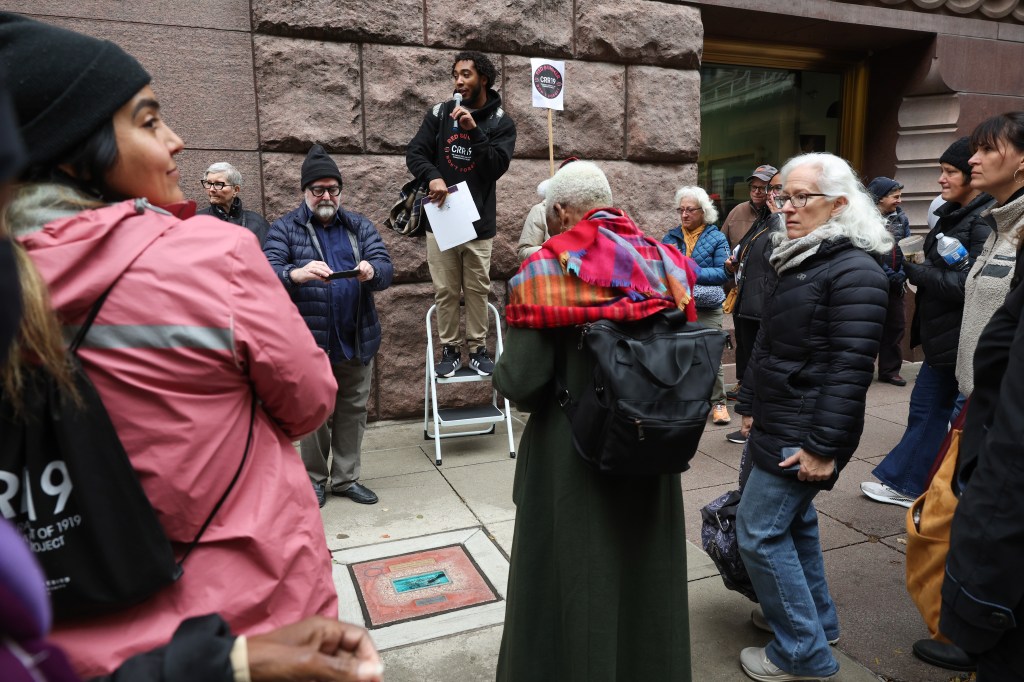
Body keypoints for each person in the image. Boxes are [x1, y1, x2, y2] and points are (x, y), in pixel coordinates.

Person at [0, 12, 351, 677]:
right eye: (149, 120)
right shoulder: (211, 254)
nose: (176, 139)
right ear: (72, 151)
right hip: (252, 630)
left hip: (62, 651)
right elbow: (309, 402)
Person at [494, 161, 698, 682]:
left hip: (573, 458)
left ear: (562, 212)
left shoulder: (545, 270)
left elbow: (521, 381)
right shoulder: (665, 260)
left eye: (548, 215)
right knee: (646, 581)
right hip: (653, 445)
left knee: (577, 584)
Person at [733, 153, 890, 681]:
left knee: (759, 533)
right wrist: (749, 405)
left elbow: (850, 369)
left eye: (802, 197)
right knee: (794, 525)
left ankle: (802, 651)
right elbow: (769, 344)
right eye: (784, 195)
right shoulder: (801, 257)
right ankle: (815, 623)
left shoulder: (855, 271)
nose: (787, 207)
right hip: (780, 418)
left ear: (839, 204)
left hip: (805, 428)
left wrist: (823, 447)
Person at [862, 140, 994, 508]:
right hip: (946, 336)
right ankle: (914, 483)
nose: (941, 179)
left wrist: (917, 271)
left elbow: (971, 285)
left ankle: (918, 487)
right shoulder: (959, 214)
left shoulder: (983, 220)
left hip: (960, 337)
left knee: (936, 412)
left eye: (950, 172)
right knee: (931, 411)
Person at [941, 111, 1024, 682]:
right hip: (977, 396)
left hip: (1001, 414)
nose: (972, 159)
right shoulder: (998, 222)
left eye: (987, 148)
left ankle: (981, 626)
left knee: (987, 527)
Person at [263, 145, 393, 508]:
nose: (326, 196)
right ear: (305, 191)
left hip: (355, 337)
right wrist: (296, 273)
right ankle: (314, 479)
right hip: (310, 342)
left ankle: (346, 479)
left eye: (333, 189)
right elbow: (267, 271)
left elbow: (385, 267)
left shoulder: (358, 226)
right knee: (314, 414)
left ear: (340, 191)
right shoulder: (285, 228)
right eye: (318, 189)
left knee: (353, 410)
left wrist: (372, 271)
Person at [405, 50, 516, 378]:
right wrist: (433, 176)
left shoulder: (500, 122)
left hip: (478, 223)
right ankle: (451, 350)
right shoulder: (440, 114)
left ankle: (478, 348)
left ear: (484, 78)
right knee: (446, 290)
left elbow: (496, 167)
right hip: (442, 220)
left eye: (466, 74)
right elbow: (415, 153)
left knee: (478, 289)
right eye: (455, 75)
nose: (459, 81)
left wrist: (474, 132)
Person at [722, 170, 785, 443]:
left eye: (774, 188)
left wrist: (778, 216)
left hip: (766, 305)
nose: (767, 194)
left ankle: (758, 426)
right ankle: (754, 423)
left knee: (763, 365)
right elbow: (745, 249)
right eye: (767, 189)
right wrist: (733, 264)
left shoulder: (782, 220)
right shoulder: (763, 219)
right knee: (751, 360)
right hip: (748, 301)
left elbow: (779, 255)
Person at [662, 185, 731, 425]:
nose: (684, 214)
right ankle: (683, 402)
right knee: (677, 354)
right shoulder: (671, 237)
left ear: (703, 211)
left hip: (707, 308)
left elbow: (723, 273)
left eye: (690, 210)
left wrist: (689, 270)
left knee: (711, 355)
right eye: (681, 209)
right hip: (678, 306)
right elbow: (663, 269)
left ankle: (718, 403)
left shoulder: (717, 238)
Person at [866, 176, 911, 386]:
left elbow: (908, 247)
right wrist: (889, 274)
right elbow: (868, 250)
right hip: (872, 283)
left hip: (897, 285)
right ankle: (862, 370)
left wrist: (902, 273)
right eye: (895, 197)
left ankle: (890, 370)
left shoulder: (901, 219)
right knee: (868, 329)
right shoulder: (864, 220)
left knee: (896, 326)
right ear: (880, 198)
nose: (899, 201)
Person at [196, 161, 271, 246]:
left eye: (218, 184)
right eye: (208, 183)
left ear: (236, 190)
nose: (211, 189)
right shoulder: (195, 222)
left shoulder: (257, 223)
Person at [721, 164, 776, 250]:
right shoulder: (737, 211)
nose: (756, 192)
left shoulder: (781, 214)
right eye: (754, 187)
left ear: (773, 189)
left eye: (762, 188)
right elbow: (721, 245)